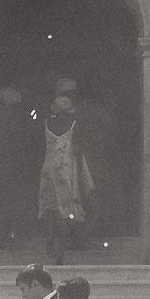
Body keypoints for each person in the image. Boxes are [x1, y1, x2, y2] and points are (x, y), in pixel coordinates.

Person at [38, 83, 95, 264]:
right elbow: (78, 149)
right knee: (66, 209)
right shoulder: (73, 124)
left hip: (48, 169)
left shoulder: (47, 123)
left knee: (49, 207)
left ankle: (49, 239)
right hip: (66, 170)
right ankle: (61, 250)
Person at [0, 86, 36, 245]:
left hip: (3, 165)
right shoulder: (5, 115)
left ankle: (3, 234)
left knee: (3, 202)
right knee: (5, 202)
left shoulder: (4, 114)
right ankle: (3, 234)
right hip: (4, 164)